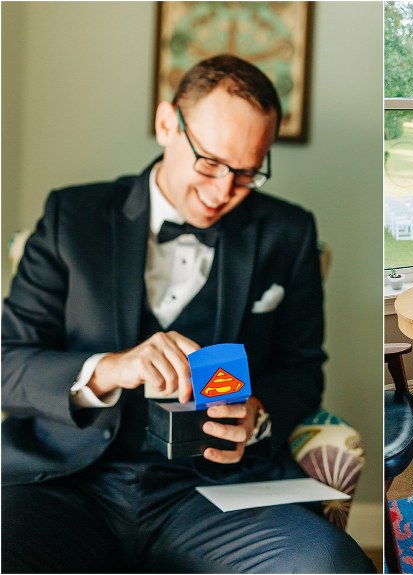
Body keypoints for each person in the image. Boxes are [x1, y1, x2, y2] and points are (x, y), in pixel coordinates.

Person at [2, 54, 375, 573]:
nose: (224, 191)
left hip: (213, 494)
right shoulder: (73, 217)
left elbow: (302, 369)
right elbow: (8, 363)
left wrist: (257, 414)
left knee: (330, 564)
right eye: (210, 162)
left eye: (247, 172)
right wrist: (109, 368)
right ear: (165, 125)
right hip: (65, 485)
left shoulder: (288, 233)